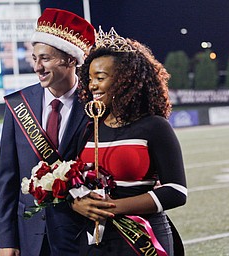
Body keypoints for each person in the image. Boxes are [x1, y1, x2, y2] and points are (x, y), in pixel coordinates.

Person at [72, 27, 187, 256]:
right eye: (90, 78)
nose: (92, 85)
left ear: (125, 81)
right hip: (96, 238)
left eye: (100, 78)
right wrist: (76, 202)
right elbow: (74, 181)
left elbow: (176, 191)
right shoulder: (88, 127)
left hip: (144, 237)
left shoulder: (154, 126)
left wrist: (112, 207)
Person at [0, 8, 95, 256]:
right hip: (30, 237)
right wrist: (7, 241)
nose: (37, 67)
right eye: (34, 58)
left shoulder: (95, 105)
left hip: (81, 235)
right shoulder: (19, 104)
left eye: (45, 59)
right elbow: (7, 179)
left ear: (71, 60)